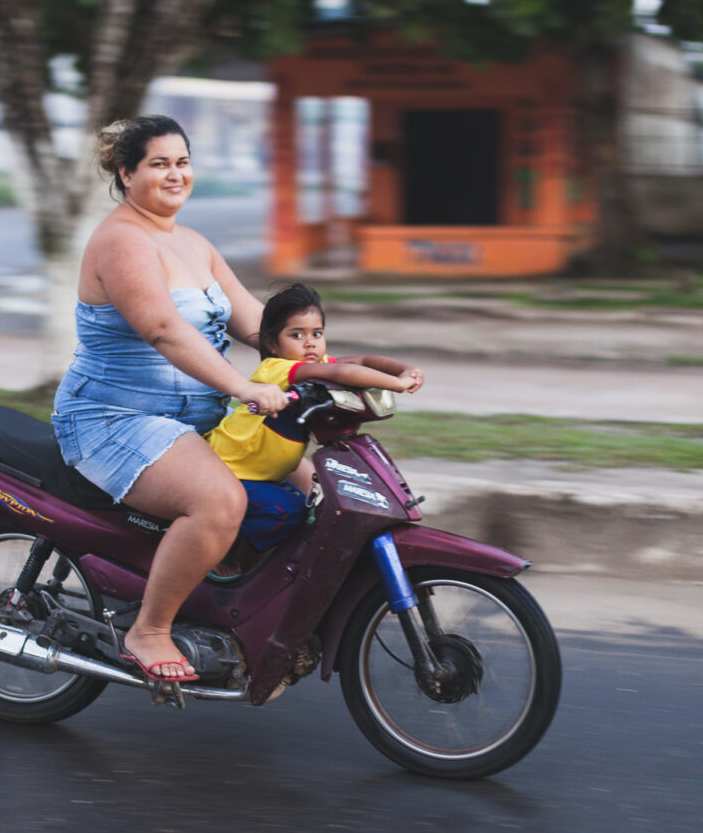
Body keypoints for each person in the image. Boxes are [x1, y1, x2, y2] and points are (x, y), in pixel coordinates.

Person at [51, 115, 288, 682]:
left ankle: (240, 612)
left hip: (197, 419)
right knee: (220, 502)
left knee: (310, 488)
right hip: (116, 418)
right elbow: (163, 329)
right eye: (159, 163)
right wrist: (244, 387)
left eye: (182, 162)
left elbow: (257, 322)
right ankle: (149, 630)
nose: (175, 174)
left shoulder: (193, 244)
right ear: (127, 173)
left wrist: (330, 368)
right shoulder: (120, 241)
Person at [206, 283, 424, 574]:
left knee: (307, 510)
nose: (310, 343)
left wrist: (402, 369)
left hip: (261, 473)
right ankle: (227, 560)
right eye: (297, 335)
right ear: (272, 343)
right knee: (287, 513)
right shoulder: (279, 369)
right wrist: (397, 384)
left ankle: (250, 564)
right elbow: (342, 372)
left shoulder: (313, 364)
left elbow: (361, 361)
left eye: (316, 334)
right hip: (230, 470)